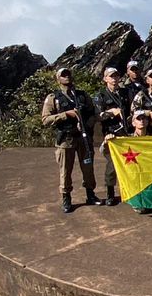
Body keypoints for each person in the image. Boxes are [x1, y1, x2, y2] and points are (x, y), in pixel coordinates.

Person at [39, 66, 99, 213]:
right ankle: (66, 198)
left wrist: (87, 125)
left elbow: (93, 113)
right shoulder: (53, 98)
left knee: (88, 167)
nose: (67, 77)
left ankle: (90, 194)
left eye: (68, 74)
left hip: (83, 138)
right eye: (63, 75)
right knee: (65, 170)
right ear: (58, 79)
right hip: (66, 139)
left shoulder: (82, 95)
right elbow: (45, 119)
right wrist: (67, 115)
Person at [92, 67, 130, 205]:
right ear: (105, 79)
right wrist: (110, 112)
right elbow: (97, 116)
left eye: (116, 75)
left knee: (131, 163)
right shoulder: (100, 96)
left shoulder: (126, 93)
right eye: (111, 76)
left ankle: (130, 191)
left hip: (126, 134)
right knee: (112, 166)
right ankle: (110, 194)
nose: (114, 78)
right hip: (110, 135)